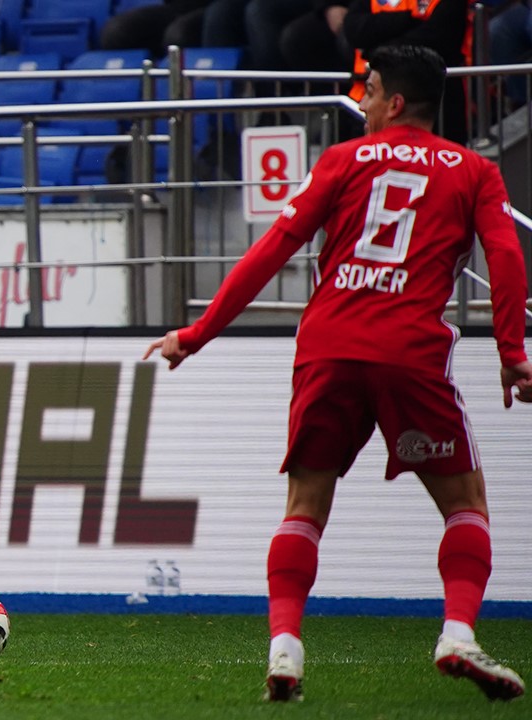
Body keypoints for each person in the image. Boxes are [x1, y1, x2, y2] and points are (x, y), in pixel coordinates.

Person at [143, 45, 531, 702]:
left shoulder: (343, 160)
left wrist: (197, 333)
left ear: (396, 103)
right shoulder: (474, 172)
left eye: (370, 91)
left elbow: (273, 249)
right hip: (410, 353)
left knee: (304, 507)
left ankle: (285, 649)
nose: (364, 103)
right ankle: (458, 632)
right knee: (465, 504)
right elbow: (505, 256)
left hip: (328, 349)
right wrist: (513, 353)